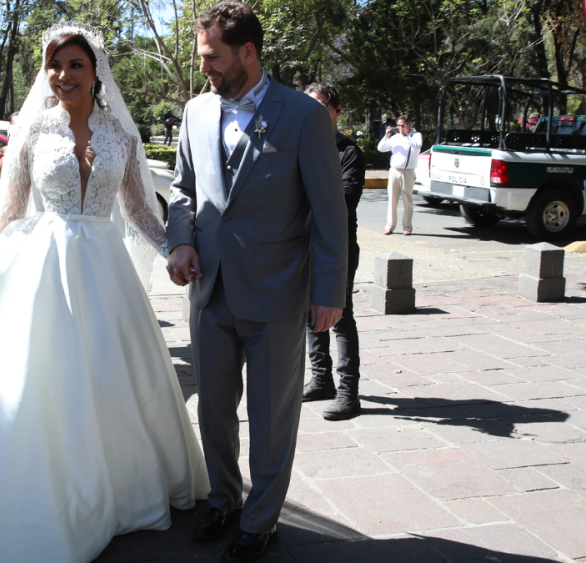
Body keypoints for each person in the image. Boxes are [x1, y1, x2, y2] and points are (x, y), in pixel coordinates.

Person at [0, 26, 208, 563]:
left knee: (109, 373)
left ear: (96, 71)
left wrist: (174, 247)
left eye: (75, 65)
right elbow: (8, 213)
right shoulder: (30, 133)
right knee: (42, 377)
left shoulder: (122, 139)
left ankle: (122, 486)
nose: (63, 76)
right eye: (54, 65)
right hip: (43, 270)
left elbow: (140, 210)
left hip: (104, 270)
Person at [167, 3, 347, 560]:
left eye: (213, 59)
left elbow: (328, 213)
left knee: (272, 418)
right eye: (202, 60)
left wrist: (329, 292)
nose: (206, 71)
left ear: (248, 52)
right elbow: (182, 189)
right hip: (210, 290)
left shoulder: (303, 116)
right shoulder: (197, 112)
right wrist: (181, 240)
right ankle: (222, 499)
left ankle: (262, 519)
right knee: (214, 411)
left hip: (277, 294)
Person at [302, 83, 365, 420]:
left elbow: (343, 202)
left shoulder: (348, 152)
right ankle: (321, 379)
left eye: (322, 105)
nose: (315, 112)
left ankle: (349, 393)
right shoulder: (301, 147)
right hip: (304, 243)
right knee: (311, 316)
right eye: (309, 105)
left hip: (337, 247)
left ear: (337, 110)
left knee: (340, 317)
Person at [378, 114, 421, 235]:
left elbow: (417, 145)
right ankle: (390, 226)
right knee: (392, 199)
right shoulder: (395, 138)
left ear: (409, 125)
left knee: (407, 199)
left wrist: (405, 136)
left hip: (407, 171)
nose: (400, 127)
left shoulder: (415, 136)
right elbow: (381, 148)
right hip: (394, 171)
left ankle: (407, 226)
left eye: (402, 125)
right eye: (398, 125)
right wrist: (387, 136)